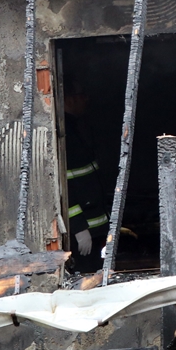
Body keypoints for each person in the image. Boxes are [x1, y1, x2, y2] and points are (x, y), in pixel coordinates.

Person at [63, 85, 111, 266]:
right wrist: (78, 228)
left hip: (97, 230)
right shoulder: (64, 134)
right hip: (84, 234)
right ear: (68, 98)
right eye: (82, 94)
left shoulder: (76, 128)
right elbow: (62, 187)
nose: (87, 99)